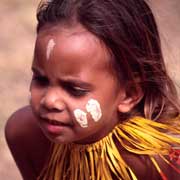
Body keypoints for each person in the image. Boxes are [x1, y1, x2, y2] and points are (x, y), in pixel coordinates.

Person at [5, 0, 180, 179]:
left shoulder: (155, 161)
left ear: (129, 94)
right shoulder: (24, 133)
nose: (49, 101)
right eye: (41, 80)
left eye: (75, 89)